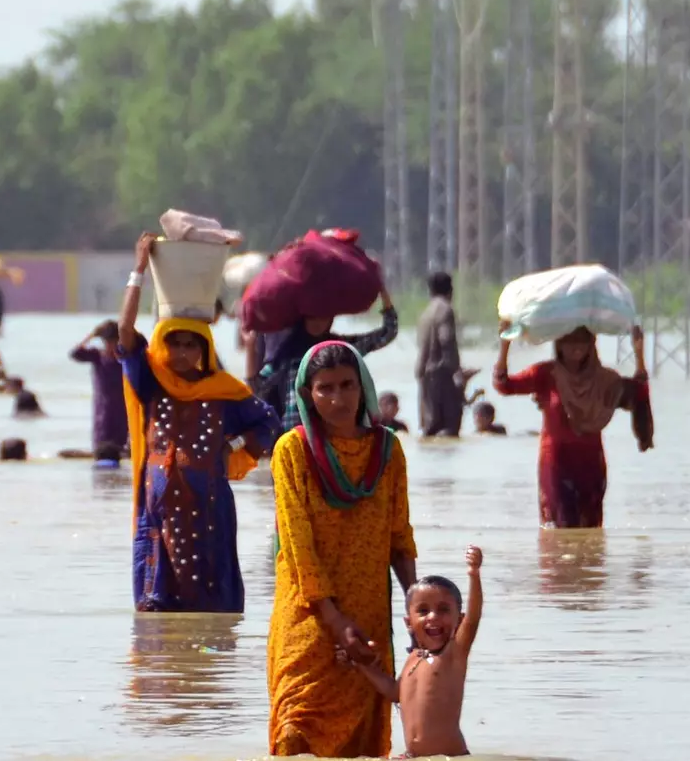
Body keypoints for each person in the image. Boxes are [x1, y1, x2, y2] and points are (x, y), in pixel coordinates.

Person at [266, 341, 418, 758]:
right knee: (295, 731)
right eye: (326, 388)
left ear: (363, 387)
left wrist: (416, 605)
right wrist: (334, 620)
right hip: (309, 616)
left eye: (347, 385)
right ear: (308, 395)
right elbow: (297, 545)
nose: (338, 399)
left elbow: (399, 535)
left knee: (362, 752)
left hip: (367, 617)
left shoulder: (387, 450)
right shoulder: (292, 451)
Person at [119, 231, 281, 613]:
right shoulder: (151, 383)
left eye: (190, 344)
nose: (181, 352)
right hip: (159, 511)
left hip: (210, 510)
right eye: (174, 343)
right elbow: (125, 334)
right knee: (158, 614)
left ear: (204, 348)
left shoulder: (224, 391)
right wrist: (138, 271)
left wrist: (232, 446)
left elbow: (268, 424)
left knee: (213, 608)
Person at [492, 324, 653, 528]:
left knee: (590, 532)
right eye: (569, 342)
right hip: (557, 463)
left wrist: (639, 354)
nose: (576, 347)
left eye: (582, 342)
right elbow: (504, 386)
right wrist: (505, 345)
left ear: (591, 345)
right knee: (557, 529)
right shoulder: (546, 374)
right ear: (559, 344)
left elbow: (638, 393)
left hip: (591, 464)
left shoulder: (604, 380)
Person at [341, 546, 484, 759]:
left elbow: (473, 619)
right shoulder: (414, 658)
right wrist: (360, 664)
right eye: (423, 611)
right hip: (413, 759)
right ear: (409, 623)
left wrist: (474, 574)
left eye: (443, 610)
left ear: (459, 620)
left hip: (449, 760)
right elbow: (395, 693)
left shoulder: (452, 654)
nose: (433, 617)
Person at [252, 289, 399, 435]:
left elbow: (387, 333)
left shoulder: (339, 349)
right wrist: (250, 350)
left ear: (331, 319)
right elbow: (257, 386)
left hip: (332, 433)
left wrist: (383, 292)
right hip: (295, 432)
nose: (319, 322)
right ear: (303, 318)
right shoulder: (286, 352)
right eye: (313, 317)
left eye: (324, 317)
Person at [415, 271, 466, 438]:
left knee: (430, 426)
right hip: (441, 372)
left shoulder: (426, 312)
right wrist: (457, 371)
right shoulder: (446, 310)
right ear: (451, 290)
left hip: (424, 373)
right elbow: (446, 338)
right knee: (449, 427)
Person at [69, 319, 130, 454]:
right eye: (107, 342)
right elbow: (75, 353)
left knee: (122, 447)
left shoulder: (126, 359)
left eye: (113, 342)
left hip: (123, 410)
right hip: (103, 411)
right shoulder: (97, 356)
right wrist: (92, 335)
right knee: (101, 447)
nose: (110, 346)